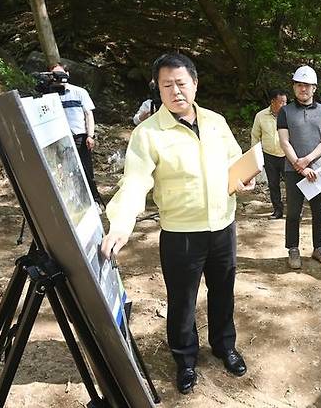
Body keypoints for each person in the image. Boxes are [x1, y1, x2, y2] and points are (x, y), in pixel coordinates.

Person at [100, 53, 254, 395]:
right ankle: (185, 358)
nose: (176, 91)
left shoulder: (216, 121)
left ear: (195, 84)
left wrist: (246, 180)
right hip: (182, 234)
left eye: (182, 83)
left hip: (223, 226)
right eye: (167, 85)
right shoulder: (148, 133)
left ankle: (224, 346)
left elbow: (236, 161)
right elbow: (135, 182)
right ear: (158, 88)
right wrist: (121, 223)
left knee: (223, 291)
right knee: (182, 300)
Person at [277, 65, 321, 269]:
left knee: (319, 212)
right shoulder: (285, 111)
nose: (303, 89)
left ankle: (319, 247)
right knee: (293, 212)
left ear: (314, 88)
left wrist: (308, 160)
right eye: (299, 85)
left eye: (307, 86)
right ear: (294, 87)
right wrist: (300, 166)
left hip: (317, 170)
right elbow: (285, 142)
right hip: (294, 170)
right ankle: (293, 248)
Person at [50, 62, 104, 208]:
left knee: (86, 170)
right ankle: (77, 201)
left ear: (67, 74)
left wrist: (90, 135)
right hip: (60, 139)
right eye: (54, 74)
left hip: (79, 136)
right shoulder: (50, 95)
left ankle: (95, 201)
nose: (58, 77)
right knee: (67, 171)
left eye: (60, 73)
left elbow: (88, 114)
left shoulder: (79, 92)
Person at [251, 89, 288, 219]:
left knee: (291, 184)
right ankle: (278, 210)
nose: (284, 105)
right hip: (269, 155)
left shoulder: (289, 115)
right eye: (281, 102)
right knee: (273, 184)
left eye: (285, 102)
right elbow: (255, 136)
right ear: (273, 102)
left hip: (287, 156)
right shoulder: (260, 116)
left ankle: (295, 211)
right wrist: (256, 156)